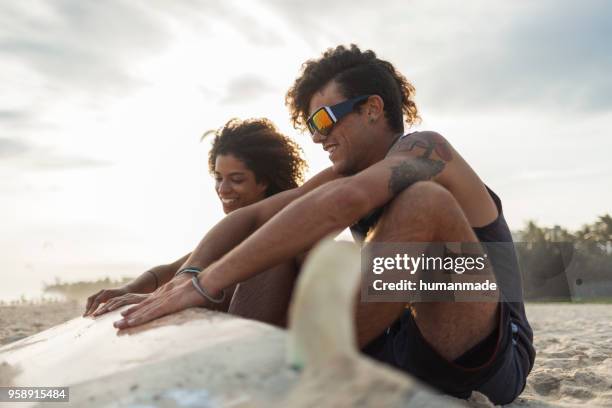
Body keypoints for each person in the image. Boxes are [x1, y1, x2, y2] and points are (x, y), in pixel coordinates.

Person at [112, 45, 535, 405]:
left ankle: (304, 377)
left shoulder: (428, 151)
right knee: (286, 229)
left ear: (372, 109)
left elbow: (347, 202)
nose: (317, 137)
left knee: (423, 201)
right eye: (311, 126)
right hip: (397, 340)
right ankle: (243, 375)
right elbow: (255, 218)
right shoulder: (349, 173)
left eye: (324, 120)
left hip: (485, 350)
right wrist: (172, 277)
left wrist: (208, 283)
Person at [83, 118, 307, 327]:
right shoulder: (233, 237)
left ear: (265, 181)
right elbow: (174, 269)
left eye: (236, 179)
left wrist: (164, 299)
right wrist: (128, 289)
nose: (223, 189)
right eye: (218, 178)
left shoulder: (283, 237)